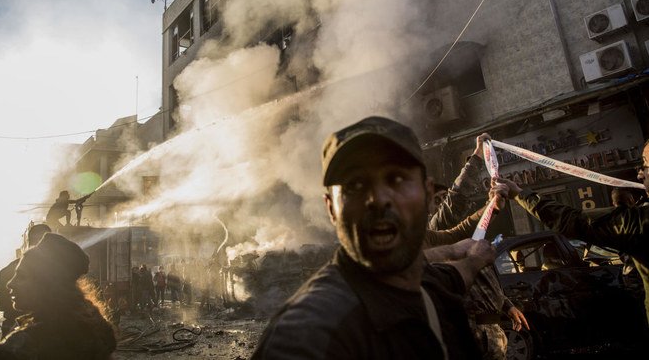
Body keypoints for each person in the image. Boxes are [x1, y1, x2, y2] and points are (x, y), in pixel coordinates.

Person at [252, 116, 497, 359]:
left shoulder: (425, 284)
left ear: (427, 192)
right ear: (331, 208)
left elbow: (450, 274)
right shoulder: (306, 336)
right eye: (355, 185)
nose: (378, 199)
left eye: (397, 179)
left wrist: (472, 260)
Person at [495, 138, 649, 324]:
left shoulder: (639, 222)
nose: (640, 175)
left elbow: (572, 221)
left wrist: (519, 193)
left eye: (646, 166)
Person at [427, 133, 529, 360]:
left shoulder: (472, 237)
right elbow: (457, 197)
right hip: (470, 335)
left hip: (491, 333)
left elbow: (486, 277)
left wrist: (506, 305)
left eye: (445, 198)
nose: (444, 203)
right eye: (439, 200)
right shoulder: (437, 230)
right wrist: (476, 156)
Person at [0, 233, 116, 359]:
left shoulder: (14, 352)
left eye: (21, 276)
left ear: (47, 284)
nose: (10, 284)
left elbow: (1, 305)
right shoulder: (95, 326)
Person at [0, 223, 51, 338]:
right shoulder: (56, 271)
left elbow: (1, 305)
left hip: (12, 329)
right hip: (45, 330)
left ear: (28, 242)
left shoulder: (6, 271)